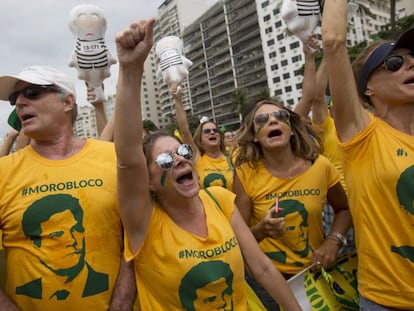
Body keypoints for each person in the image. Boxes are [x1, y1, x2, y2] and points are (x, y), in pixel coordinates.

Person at [114, 18, 302, 311]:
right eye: (165, 159)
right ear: (148, 181)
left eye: (183, 152)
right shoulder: (143, 222)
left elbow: (262, 268)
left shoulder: (220, 201)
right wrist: (130, 69)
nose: (179, 160)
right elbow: (126, 156)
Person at [0, 65, 136, 310]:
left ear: (67, 102)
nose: (19, 102)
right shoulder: (3, 173)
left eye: (31, 92)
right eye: (14, 98)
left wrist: (121, 304)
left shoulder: (114, 159)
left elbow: (136, 236)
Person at [322, 0, 414, 309]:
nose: (410, 64)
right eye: (394, 64)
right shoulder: (362, 135)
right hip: (390, 301)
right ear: (367, 89)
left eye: (412, 58)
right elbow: (333, 43)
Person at [231, 99, 352, 309]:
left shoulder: (320, 166)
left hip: (314, 275)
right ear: (255, 136)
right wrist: (262, 230)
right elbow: (236, 241)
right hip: (267, 282)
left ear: (292, 129)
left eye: (280, 117)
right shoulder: (245, 174)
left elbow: (344, 209)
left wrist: (333, 241)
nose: (272, 122)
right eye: (262, 119)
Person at [170, 86, 234, 191]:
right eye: (207, 131)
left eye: (215, 130)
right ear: (200, 138)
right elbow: (185, 131)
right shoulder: (197, 157)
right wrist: (178, 100)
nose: (212, 132)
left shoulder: (231, 158)